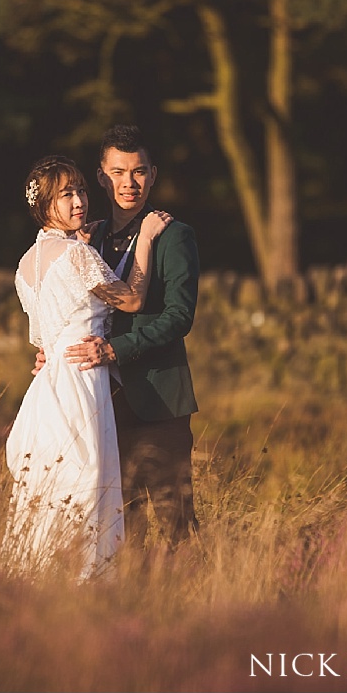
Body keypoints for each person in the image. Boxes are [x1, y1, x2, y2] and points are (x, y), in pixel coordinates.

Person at [2, 154, 171, 580]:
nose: (79, 201)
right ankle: (87, 582)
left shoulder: (25, 265)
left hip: (46, 389)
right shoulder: (76, 256)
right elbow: (130, 299)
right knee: (87, 481)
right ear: (44, 205)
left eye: (80, 190)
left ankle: (41, 579)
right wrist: (146, 238)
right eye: (66, 195)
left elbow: (41, 343)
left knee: (50, 488)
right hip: (81, 382)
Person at [60, 124, 201, 550]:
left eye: (138, 172)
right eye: (118, 173)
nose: (129, 183)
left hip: (159, 400)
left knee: (177, 522)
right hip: (104, 402)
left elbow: (179, 316)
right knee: (121, 523)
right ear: (102, 177)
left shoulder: (175, 235)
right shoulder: (88, 239)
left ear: (153, 175)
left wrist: (116, 349)